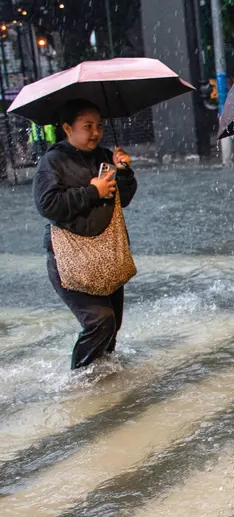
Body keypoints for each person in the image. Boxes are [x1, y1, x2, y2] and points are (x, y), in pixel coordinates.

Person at [34, 100, 137, 369]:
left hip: (107, 253)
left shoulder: (104, 157)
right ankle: (78, 383)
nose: (96, 132)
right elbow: (48, 205)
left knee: (111, 327)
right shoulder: (52, 161)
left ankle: (106, 390)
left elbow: (122, 200)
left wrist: (124, 172)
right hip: (70, 260)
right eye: (87, 126)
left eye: (99, 126)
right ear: (68, 128)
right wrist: (93, 191)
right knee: (99, 321)